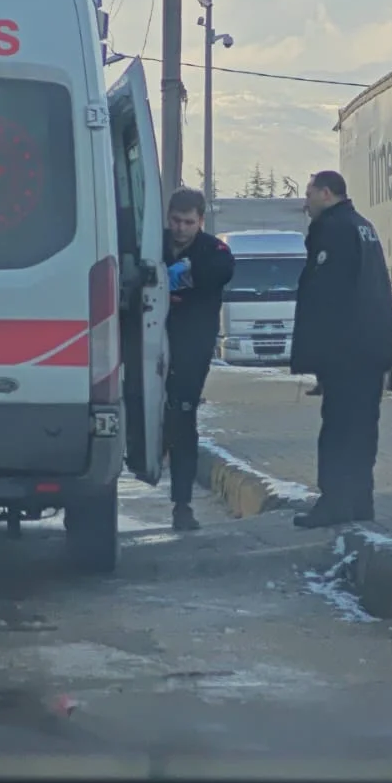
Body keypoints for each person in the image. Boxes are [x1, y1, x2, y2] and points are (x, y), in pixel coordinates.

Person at [290, 170, 392, 528]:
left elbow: (325, 295)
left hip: (346, 350)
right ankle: (359, 500)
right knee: (363, 426)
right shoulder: (363, 226)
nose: (305, 202)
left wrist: (317, 353)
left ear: (325, 193)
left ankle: (334, 502)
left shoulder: (332, 230)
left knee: (337, 427)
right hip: (370, 346)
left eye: (309, 193)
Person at [162, 188, 235, 531]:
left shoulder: (214, 251)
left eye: (188, 222)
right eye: (176, 221)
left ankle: (181, 504)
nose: (180, 229)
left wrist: (168, 277)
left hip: (191, 348)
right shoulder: (152, 244)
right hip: (149, 344)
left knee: (182, 420)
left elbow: (214, 275)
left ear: (201, 221)